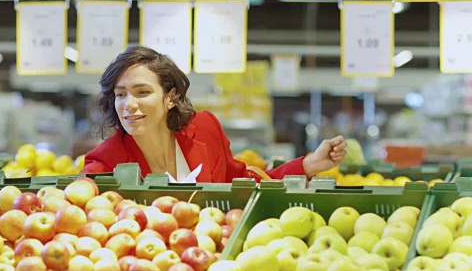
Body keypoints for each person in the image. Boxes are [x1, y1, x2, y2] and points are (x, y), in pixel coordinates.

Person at [82, 46, 346, 183]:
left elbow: (243, 184)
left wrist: (308, 165)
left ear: (170, 97)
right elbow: (83, 192)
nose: (128, 104)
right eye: (120, 94)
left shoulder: (205, 128)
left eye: (142, 92)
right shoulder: (107, 159)